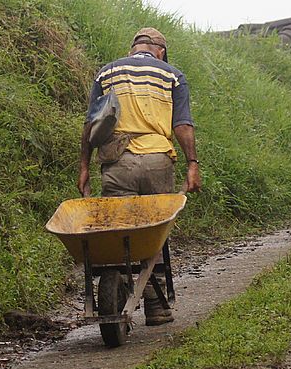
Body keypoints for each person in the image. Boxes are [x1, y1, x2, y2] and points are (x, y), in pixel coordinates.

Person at [78, 27, 201, 325]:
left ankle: (121, 288)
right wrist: (192, 163)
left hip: (118, 162)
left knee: (120, 234)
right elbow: (182, 125)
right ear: (160, 51)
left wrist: (84, 166)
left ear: (133, 48)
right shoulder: (172, 75)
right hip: (158, 161)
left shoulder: (107, 73)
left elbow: (91, 123)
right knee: (152, 233)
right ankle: (155, 308)